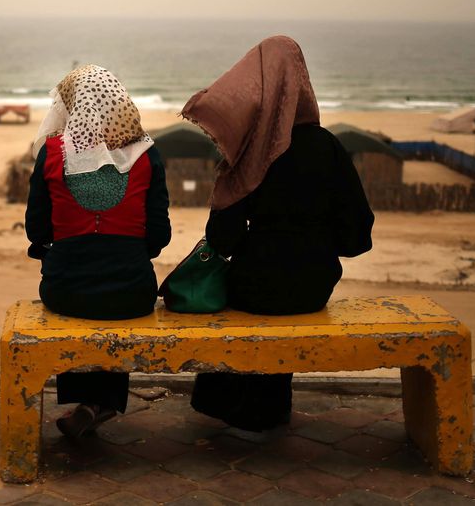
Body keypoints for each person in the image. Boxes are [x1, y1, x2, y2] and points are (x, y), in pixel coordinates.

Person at [182, 36, 373, 432]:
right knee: (282, 289)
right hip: (313, 286)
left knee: (248, 291)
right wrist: (313, 240)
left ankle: (229, 402)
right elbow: (357, 238)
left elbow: (222, 239)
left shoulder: (253, 152)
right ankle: (268, 407)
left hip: (256, 285)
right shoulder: (328, 147)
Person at [25, 64, 171, 437]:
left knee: (81, 294)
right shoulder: (145, 155)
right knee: (115, 294)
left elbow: (36, 230)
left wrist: (65, 253)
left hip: (65, 289)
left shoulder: (53, 152)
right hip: (132, 291)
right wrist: (128, 253)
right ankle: (101, 403)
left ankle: (87, 402)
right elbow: (160, 235)